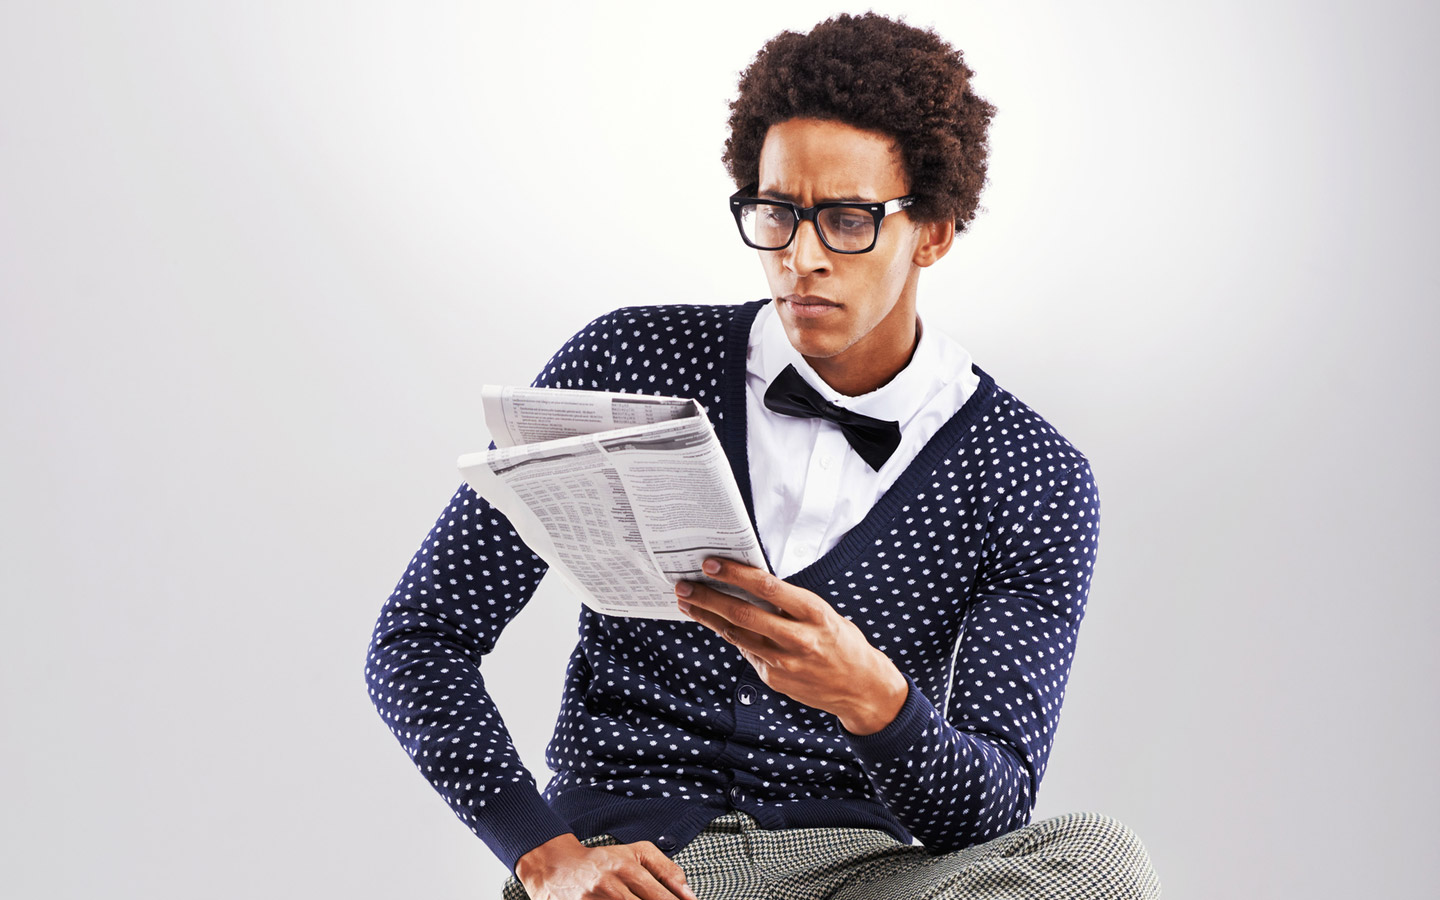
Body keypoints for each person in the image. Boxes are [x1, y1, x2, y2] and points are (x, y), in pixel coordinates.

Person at [366, 12, 1160, 900]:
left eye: (849, 220)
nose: (801, 258)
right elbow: (419, 637)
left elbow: (992, 812)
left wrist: (874, 701)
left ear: (933, 231)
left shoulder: (1029, 474)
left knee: (1100, 862)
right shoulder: (630, 362)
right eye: (777, 213)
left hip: (860, 874)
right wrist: (545, 854)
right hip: (634, 865)